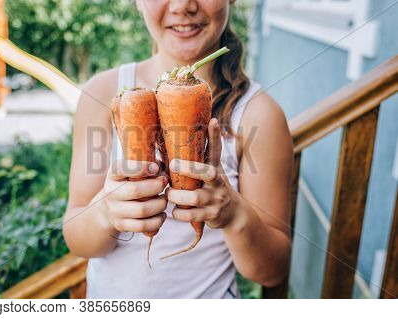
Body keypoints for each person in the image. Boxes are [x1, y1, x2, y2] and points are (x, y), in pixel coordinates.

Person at [63, 0, 293, 298]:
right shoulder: (102, 93)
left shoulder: (259, 114)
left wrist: (234, 215)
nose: (183, 5)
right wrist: (105, 214)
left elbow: (273, 270)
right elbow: (77, 239)